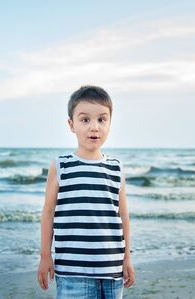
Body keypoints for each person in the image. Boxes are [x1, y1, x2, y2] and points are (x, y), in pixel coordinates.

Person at [37, 85, 135, 298]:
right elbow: (48, 213)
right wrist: (45, 255)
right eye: (85, 120)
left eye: (102, 119)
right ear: (71, 125)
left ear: (110, 124)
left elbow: (123, 217)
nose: (94, 127)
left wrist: (127, 258)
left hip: (112, 272)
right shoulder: (61, 166)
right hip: (73, 273)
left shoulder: (116, 168)